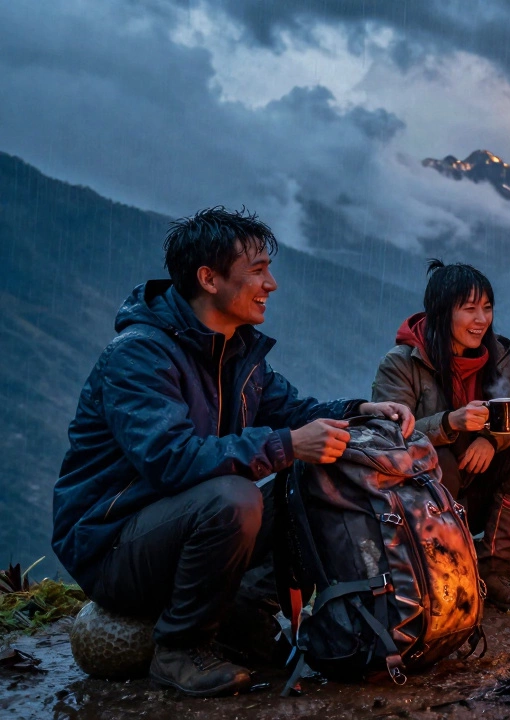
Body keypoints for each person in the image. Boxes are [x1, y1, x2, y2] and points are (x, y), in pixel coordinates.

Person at [51, 207, 414, 697]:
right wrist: (286, 445)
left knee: (301, 481)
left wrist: (360, 408)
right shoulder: (138, 356)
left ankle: (244, 619)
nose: (272, 284)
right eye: (258, 270)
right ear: (210, 278)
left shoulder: (236, 349)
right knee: (235, 498)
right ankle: (179, 650)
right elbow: (171, 459)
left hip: (175, 530)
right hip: (112, 546)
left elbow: (293, 409)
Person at [372, 260, 510, 612]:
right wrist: (449, 423)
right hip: (424, 502)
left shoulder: (495, 355)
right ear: (441, 314)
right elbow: (383, 437)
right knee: (443, 463)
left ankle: (494, 571)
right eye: (469, 310)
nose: (481, 320)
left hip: (477, 490)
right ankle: (442, 578)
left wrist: (492, 441)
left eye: (486, 308)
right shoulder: (404, 362)